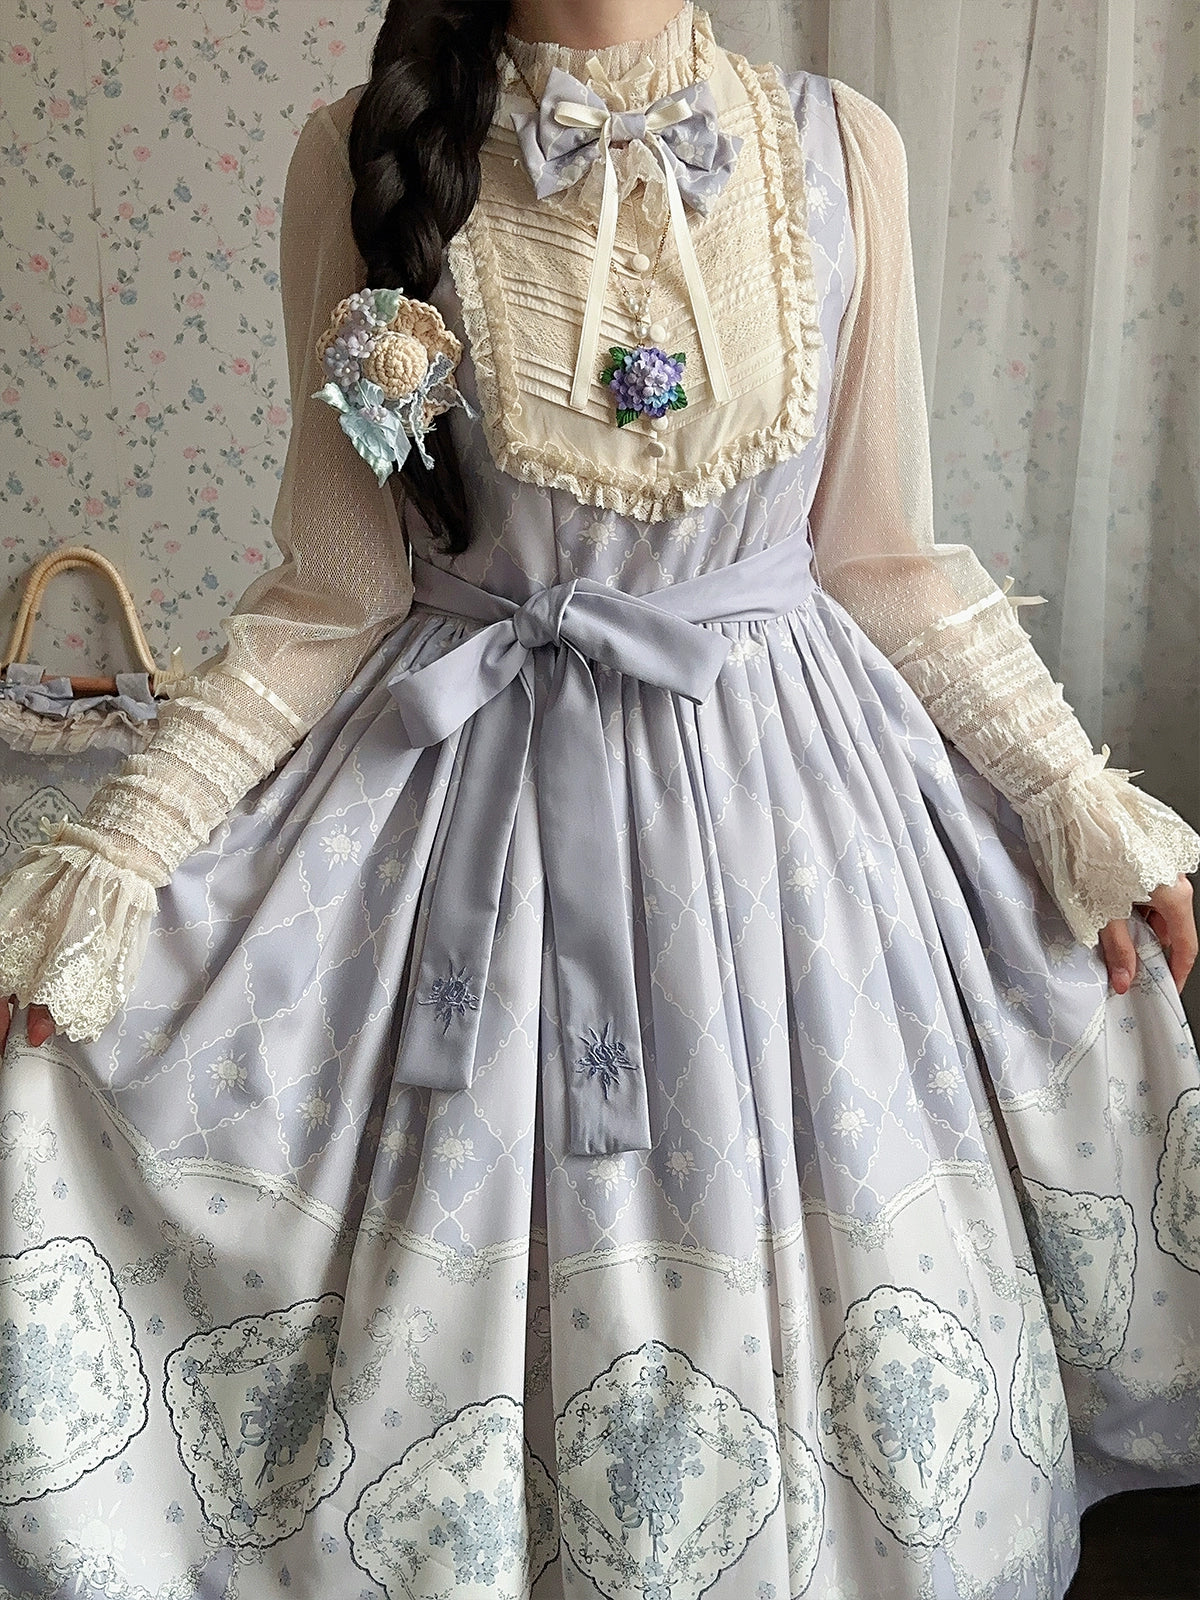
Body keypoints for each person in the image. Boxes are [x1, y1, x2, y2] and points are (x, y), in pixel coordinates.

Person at [0, 0, 1197, 1594]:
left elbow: (884, 561)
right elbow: (334, 591)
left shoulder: (841, 152)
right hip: (467, 829)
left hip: (791, 848)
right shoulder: (356, 155)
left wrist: (1072, 800)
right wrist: (114, 857)